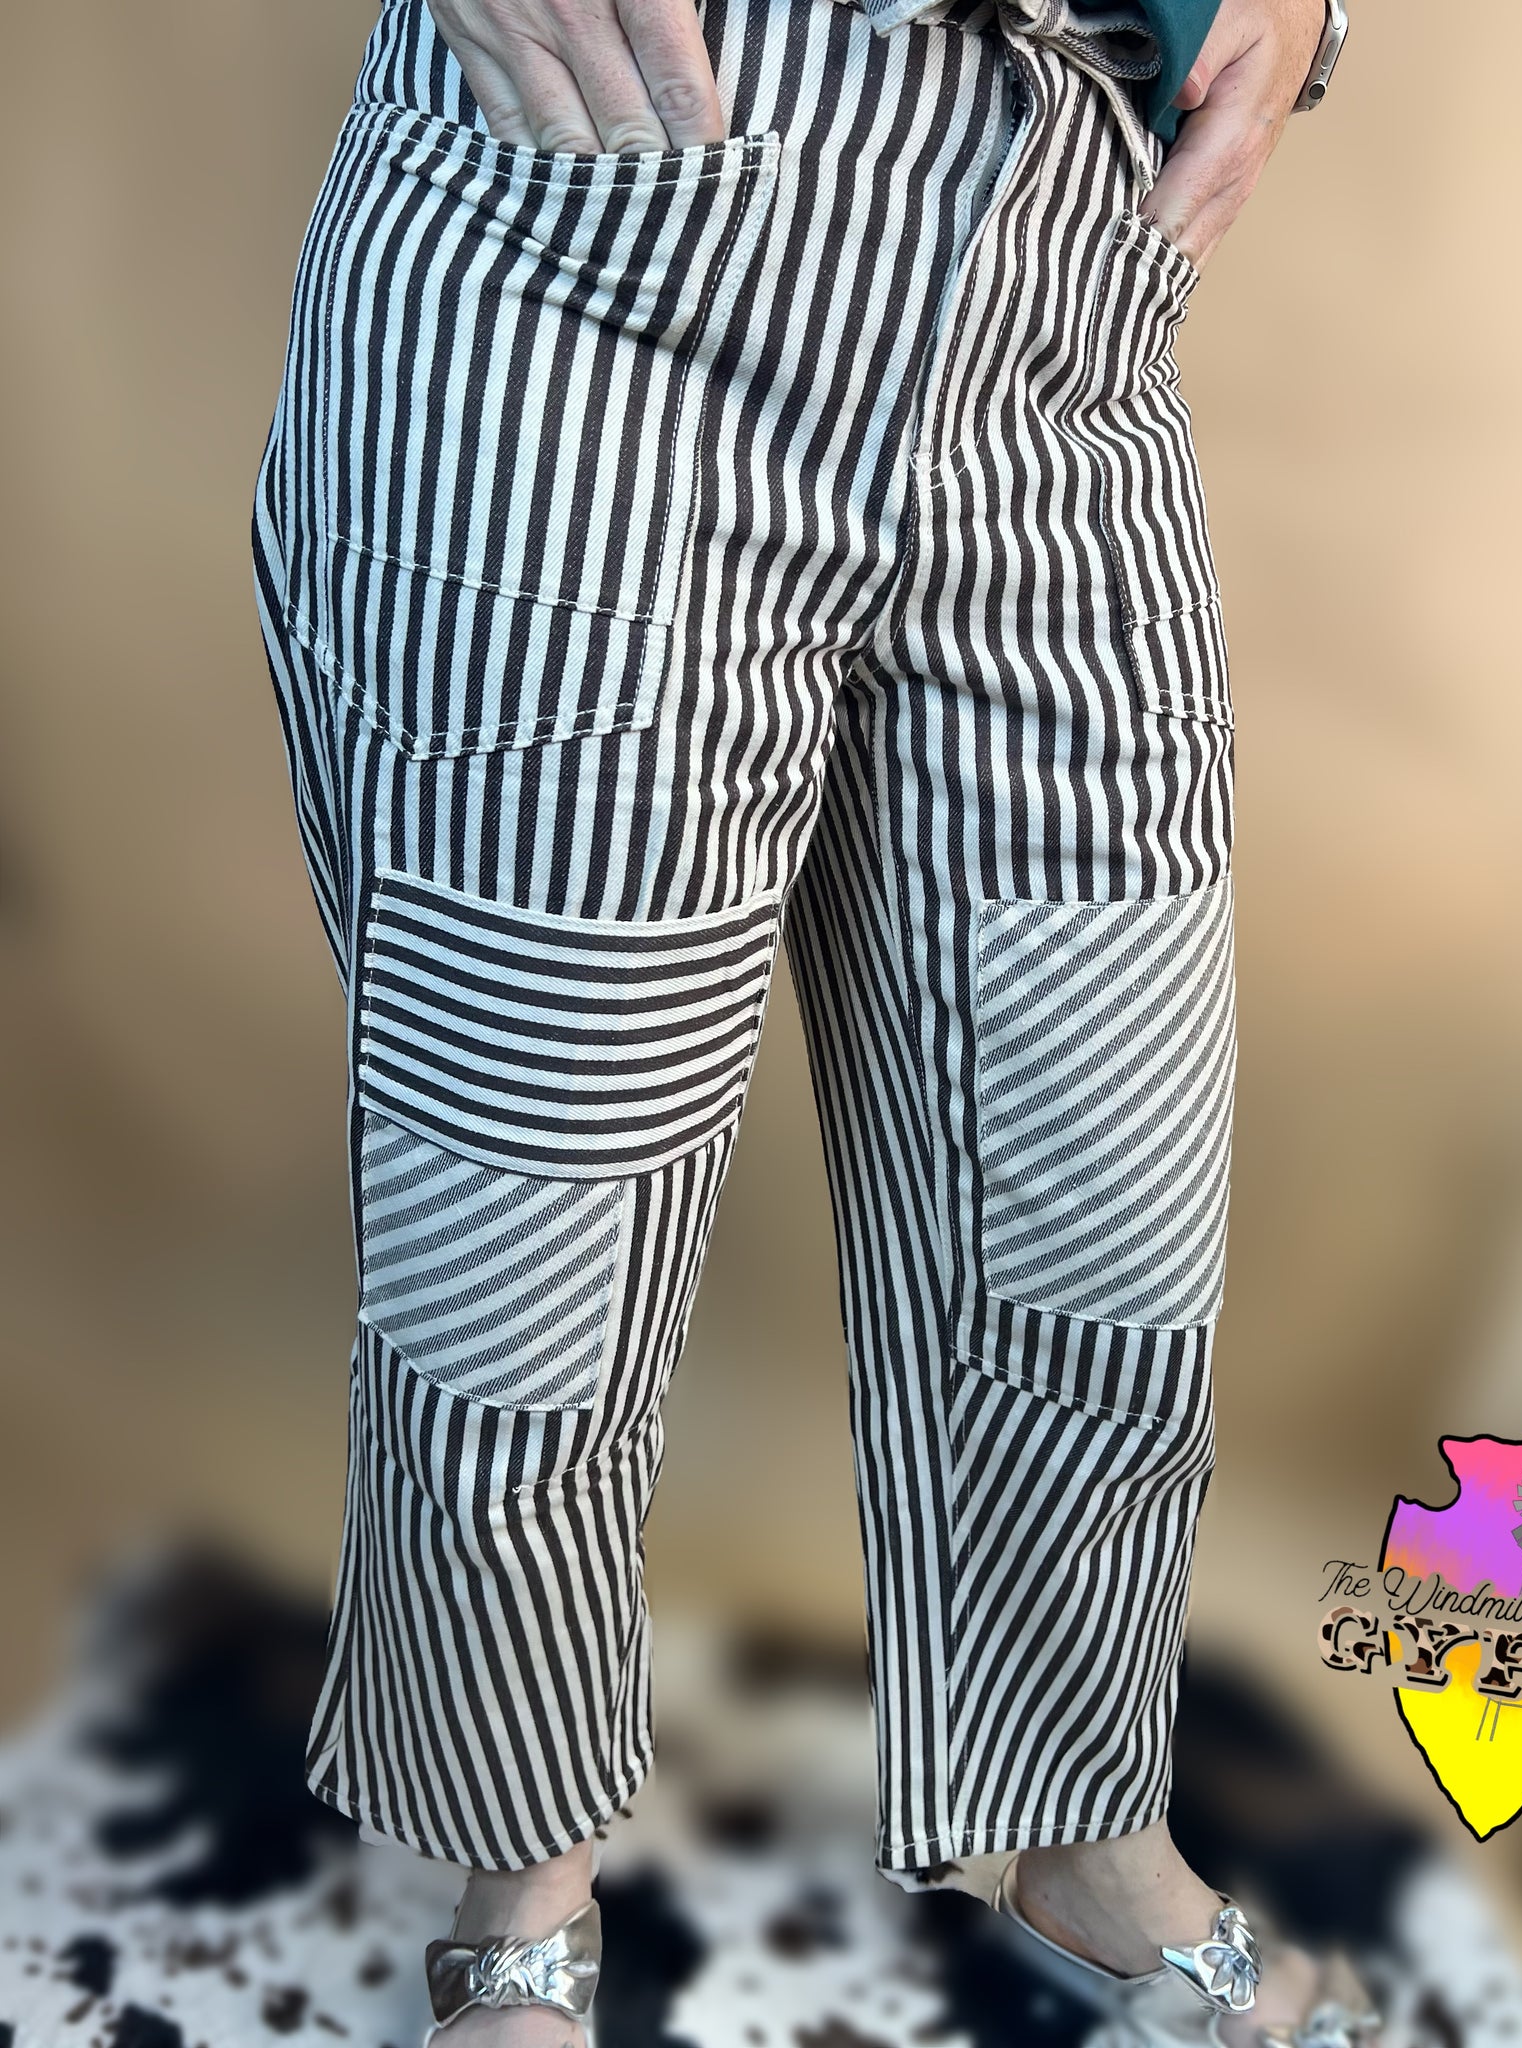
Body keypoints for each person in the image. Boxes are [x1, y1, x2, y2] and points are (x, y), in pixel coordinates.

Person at [250, 0, 1373, 2036]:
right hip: (590, 273)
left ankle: (1081, 1821)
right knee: (533, 1235)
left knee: (1090, 1200)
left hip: (1054, 305)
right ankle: (518, 1898)